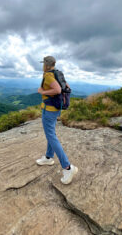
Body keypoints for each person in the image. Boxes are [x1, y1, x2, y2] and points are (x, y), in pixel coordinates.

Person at [36, 56, 78, 185]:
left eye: (43, 64)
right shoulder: (58, 74)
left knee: (51, 136)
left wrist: (42, 91)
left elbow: (58, 90)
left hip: (49, 109)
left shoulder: (48, 75)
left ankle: (68, 167)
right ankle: (49, 157)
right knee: (51, 134)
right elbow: (66, 87)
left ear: (46, 65)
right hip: (56, 108)